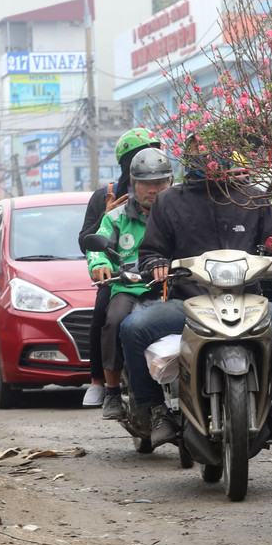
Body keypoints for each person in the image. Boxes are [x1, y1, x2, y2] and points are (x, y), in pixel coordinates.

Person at [118, 134, 272, 451]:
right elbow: (151, 251)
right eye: (202, 153)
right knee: (132, 327)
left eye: (218, 151)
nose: (211, 158)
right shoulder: (170, 201)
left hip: (249, 303)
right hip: (188, 303)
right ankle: (155, 412)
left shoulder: (253, 198)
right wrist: (155, 264)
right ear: (190, 158)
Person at [78, 128, 162, 408]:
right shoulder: (108, 197)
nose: (153, 187)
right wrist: (102, 264)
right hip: (123, 278)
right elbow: (89, 240)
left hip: (164, 279)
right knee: (107, 316)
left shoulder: (172, 202)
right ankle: (102, 384)